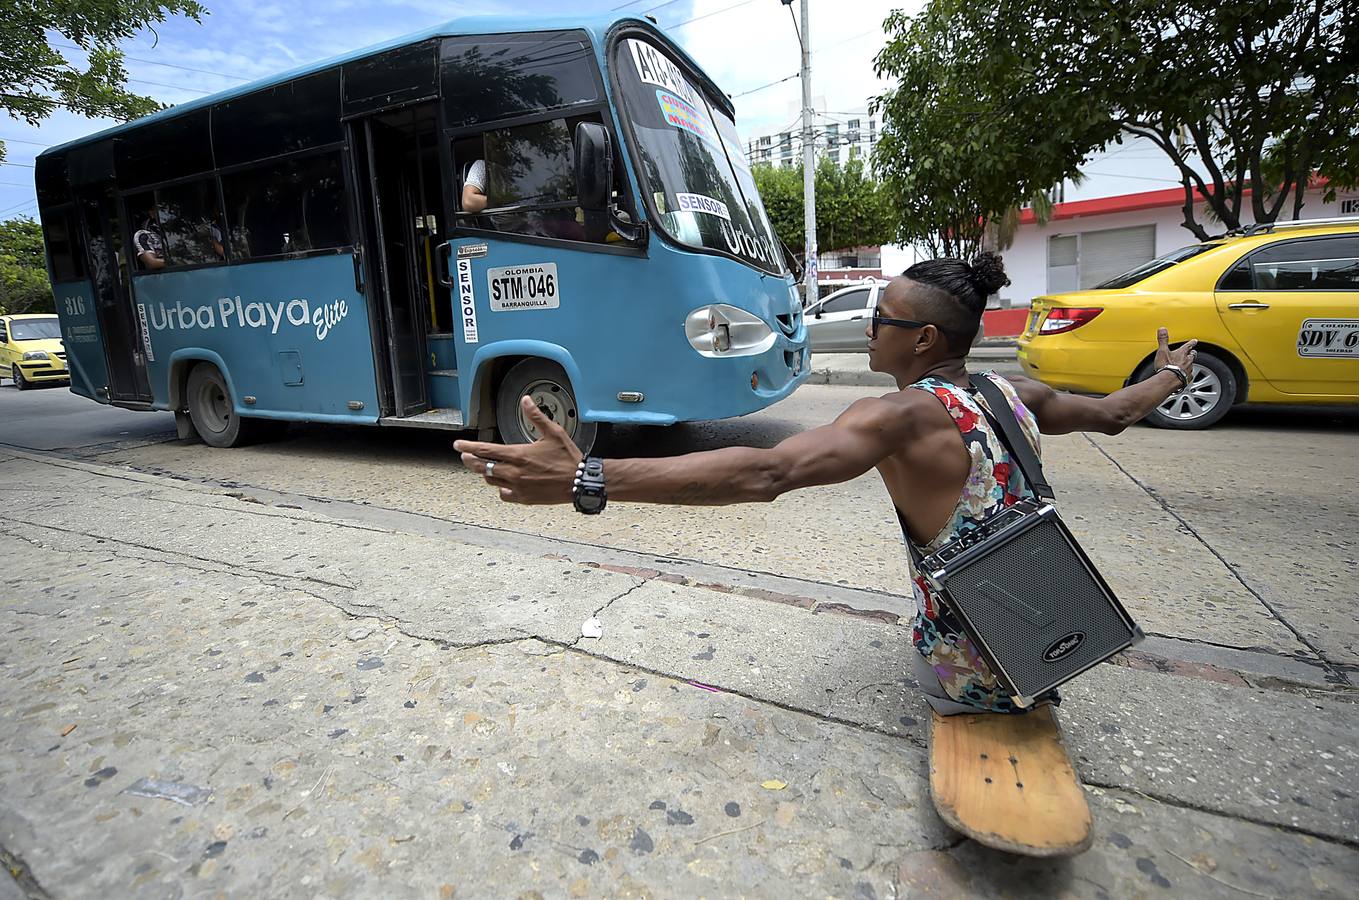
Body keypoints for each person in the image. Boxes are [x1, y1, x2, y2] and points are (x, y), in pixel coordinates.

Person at [453, 253, 1200, 715]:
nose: (869, 327)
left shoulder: (897, 417)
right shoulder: (1014, 393)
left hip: (971, 672)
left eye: (882, 317)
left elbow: (767, 471)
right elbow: (1113, 413)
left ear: (923, 340)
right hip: (1044, 636)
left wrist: (589, 475)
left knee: (924, 653)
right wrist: (1171, 372)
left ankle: (962, 700)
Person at [132, 202, 167, 271]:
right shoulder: (143, 236)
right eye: (161, 210)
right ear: (151, 213)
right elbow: (152, 263)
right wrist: (175, 263)